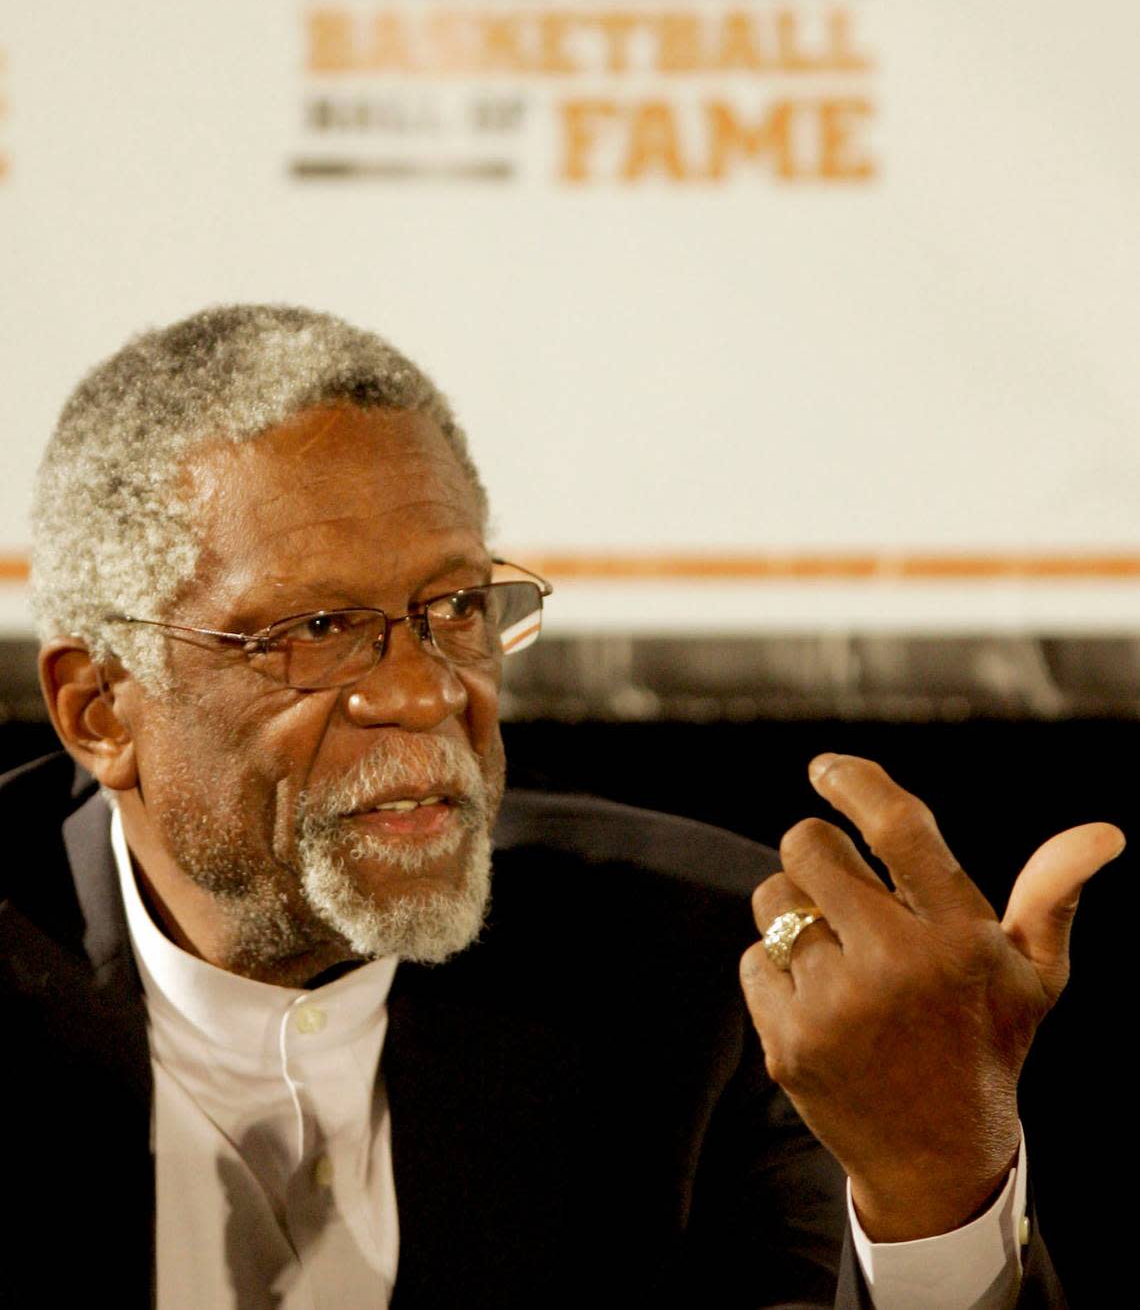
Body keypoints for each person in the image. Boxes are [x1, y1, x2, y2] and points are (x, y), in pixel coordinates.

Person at [2, 303, 1121, 1307]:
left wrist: (937, 1186)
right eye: (315, 631)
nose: (428, 690)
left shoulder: (708, 969)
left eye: (455, 607)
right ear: (100, 709)